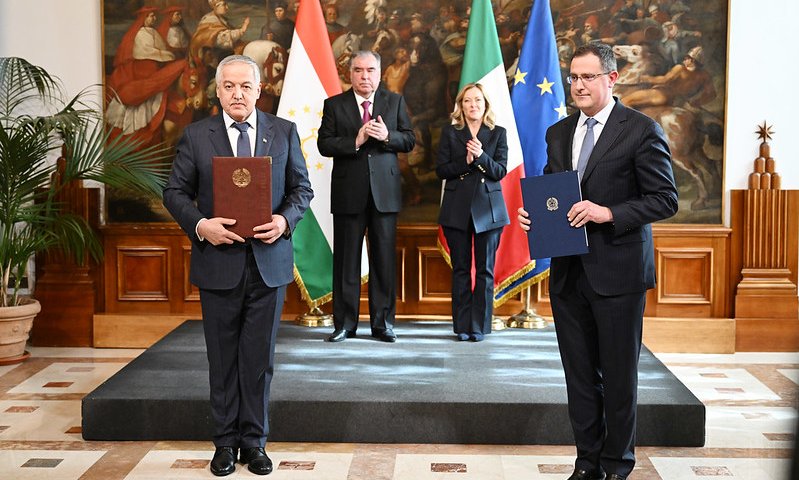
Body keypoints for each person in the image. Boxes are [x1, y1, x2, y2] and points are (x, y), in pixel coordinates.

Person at [517, 43, 677, 480]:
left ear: (612, 78)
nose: (579, 85)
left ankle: (617, 465)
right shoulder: (558, 132)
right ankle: (587, 464)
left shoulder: (641, 130)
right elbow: (555, 191)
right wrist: (535, 215)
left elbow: (665, 200)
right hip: (569, 274)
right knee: (581, 378)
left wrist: (609, 213)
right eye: (573, 77)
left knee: (620, 378)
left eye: (588, 77)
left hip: (619, 274)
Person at [163, 55, 313, 477]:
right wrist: (200, 226)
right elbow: (173, 192)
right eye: (228, 86)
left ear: (259, 90)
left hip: (269, 263)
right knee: (222, 357)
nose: (237, 94)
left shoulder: (283, 132)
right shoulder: (196, 136)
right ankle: (225, 444)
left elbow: (302, 188)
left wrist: (285, 220)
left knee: (259, 358)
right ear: (217, 91)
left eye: (245, 86)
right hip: (218, 263)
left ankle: (256, 442)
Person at [317, 51, 415, 343]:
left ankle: (382, 324)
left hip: (385, 195)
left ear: (379, 73)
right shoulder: (334, 105)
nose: (365, 76)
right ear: (350, 74)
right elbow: (324, 143)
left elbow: (409, 139)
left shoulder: (394, 101)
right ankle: (345, 325)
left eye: (370, 70)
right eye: (358, 70)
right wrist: (355, 141)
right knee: (346, 262)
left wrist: (388, 136)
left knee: (383, 261)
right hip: (349, 194)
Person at [436, 83, 509, 342]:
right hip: (457, 210)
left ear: (485, 104)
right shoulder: (450, 132)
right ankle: (462, 326)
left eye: (478, 100)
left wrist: (479, 156)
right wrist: (465, 163)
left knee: (485, 271)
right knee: (461, 270)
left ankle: (479, 326)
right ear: (461, 105)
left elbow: (499, 171)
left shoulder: (498, 132)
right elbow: (442, 170)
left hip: (488, 211)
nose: (473, 105)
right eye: (468, 101)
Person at [105, 6, 187, 148]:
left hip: (154, 69)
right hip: (143, 71)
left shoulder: (154, 32)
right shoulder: (141, 34)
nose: (153, 18)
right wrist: (167, 55)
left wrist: (166, 54)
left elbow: (162, 50)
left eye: (154, 16)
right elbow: (148, 52)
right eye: (150, 16)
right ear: (143, 18)